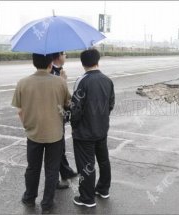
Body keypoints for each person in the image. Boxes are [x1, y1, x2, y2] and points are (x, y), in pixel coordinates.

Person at [12, 53, 71, 213]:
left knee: (33, 168)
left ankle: (29, 198)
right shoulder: (60, 82)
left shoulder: (23, 83)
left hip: (33, 134)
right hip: (55, 134)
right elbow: (68, 105)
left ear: (33, 63)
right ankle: (47, 203)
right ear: (51, 63)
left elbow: (20, 111)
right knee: (52, 170)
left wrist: (28, 126)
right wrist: (64, 82)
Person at [70, 48, 115, 207]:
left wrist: (74, 125)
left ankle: (87, 198)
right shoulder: (107, 80)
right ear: (98, 60)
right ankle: (103, 189)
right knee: (103, 160)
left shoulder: (82, 81)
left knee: (86, 165)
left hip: (85, 132)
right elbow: (111, 104)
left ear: (83, 63)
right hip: (102, 129)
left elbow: (75, 108)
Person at [51, 51, 77, 189]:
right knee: (56, 147)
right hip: (54, 116)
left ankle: (65, 171)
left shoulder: (59, 71)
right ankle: (54, 181)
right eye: (64, 54)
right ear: (58, 56)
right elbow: (56, 96)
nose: (66, 56)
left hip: (60, 115)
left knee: (60, 146)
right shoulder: (50, 72)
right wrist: (62, 82)